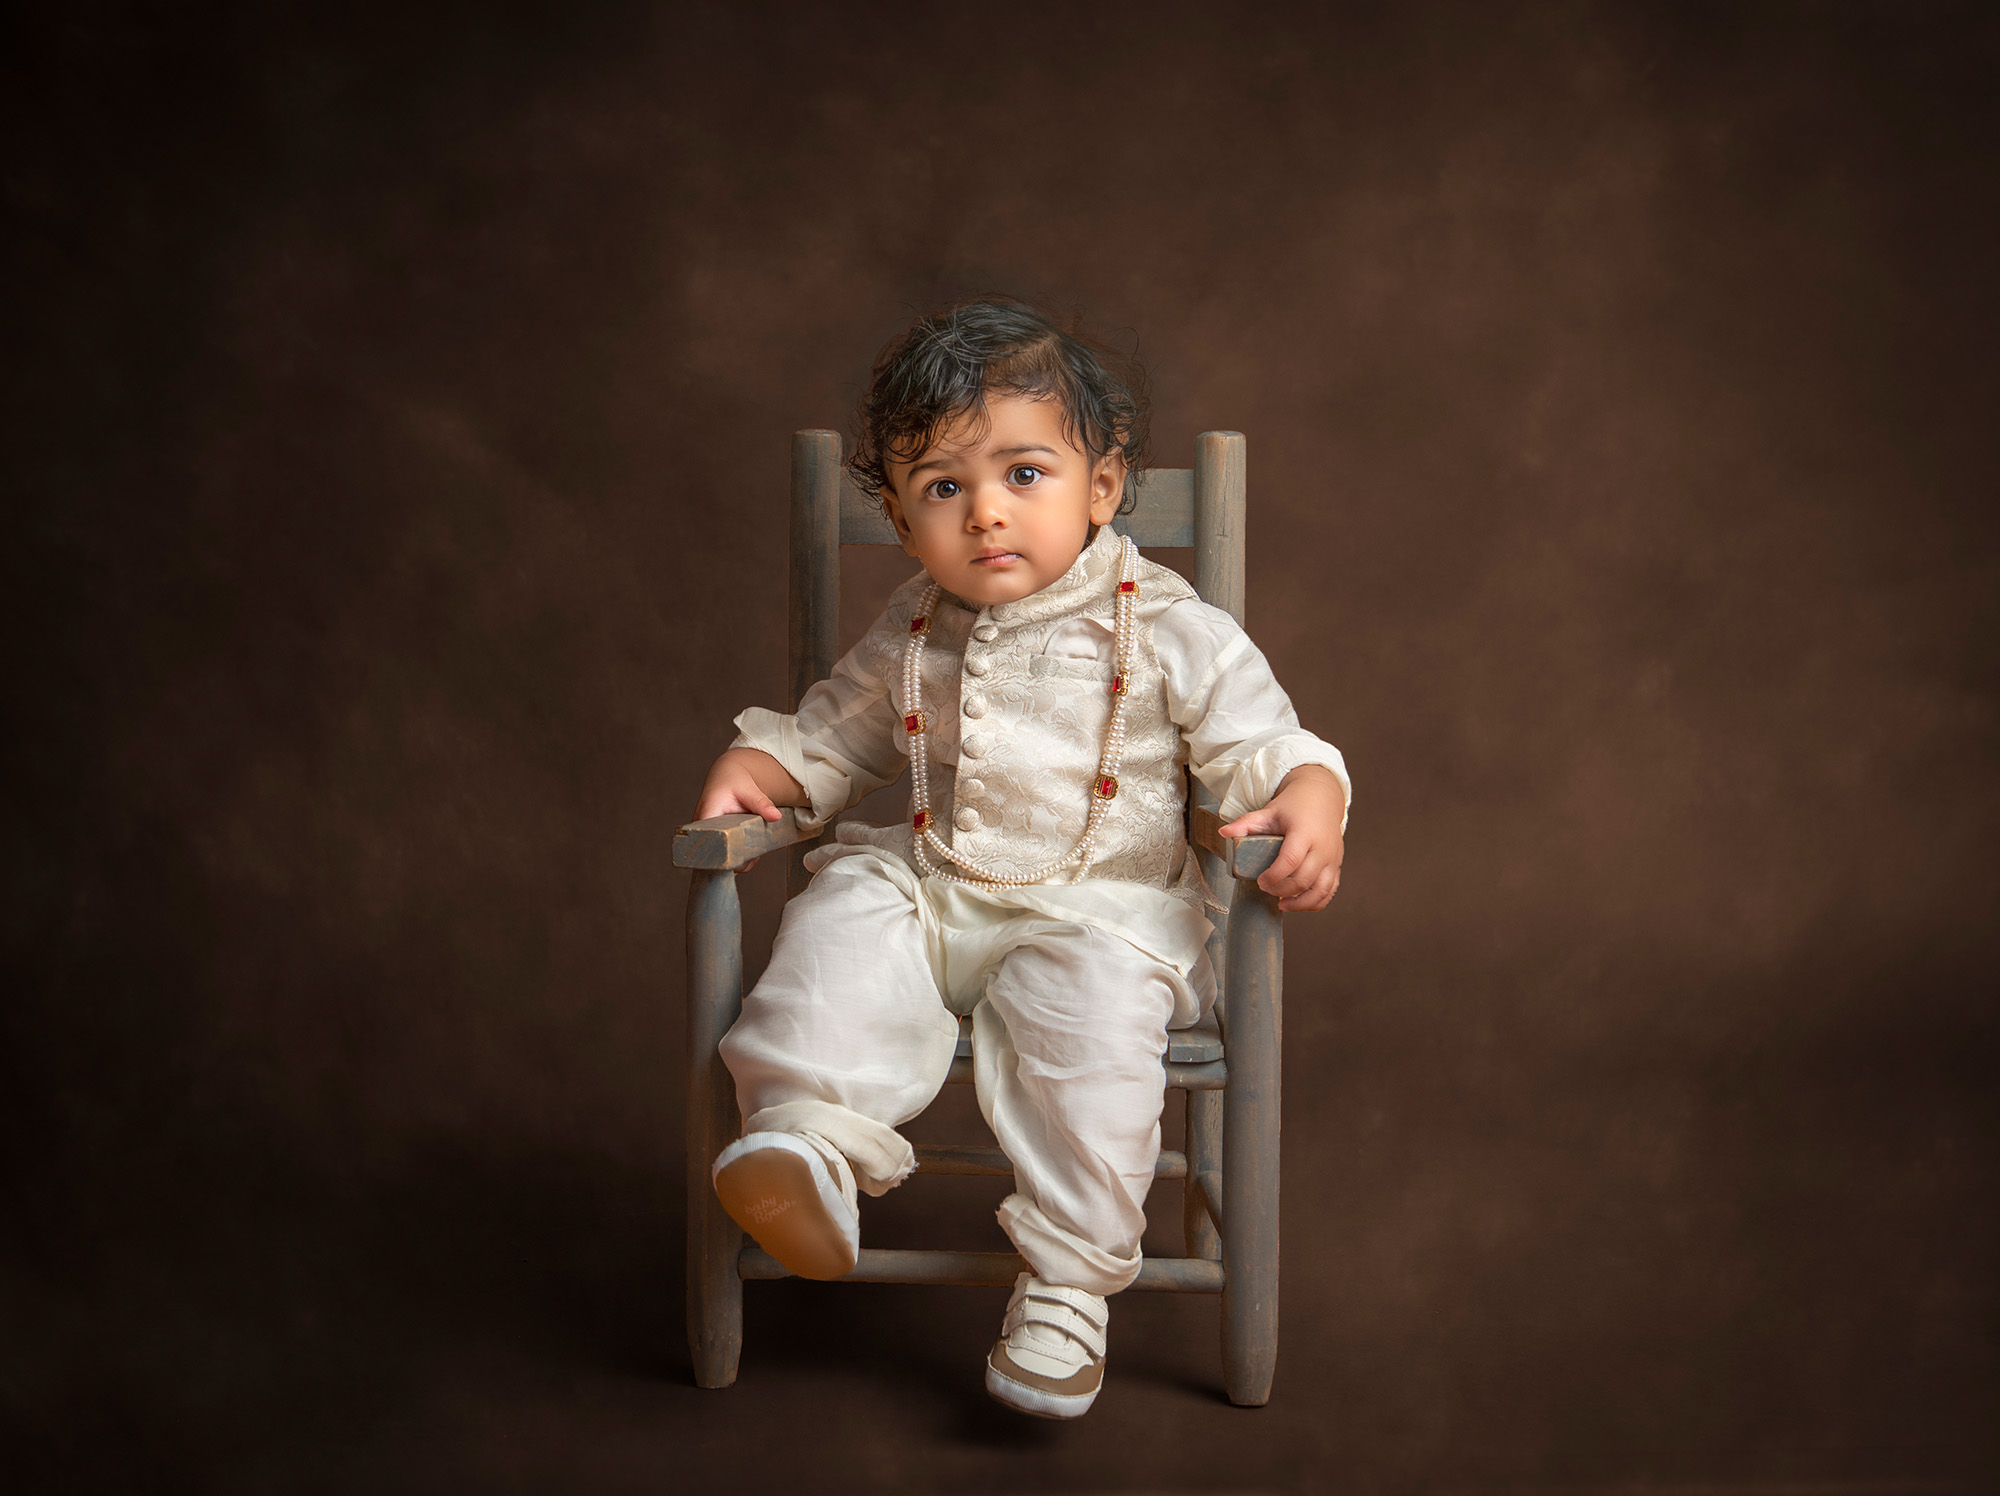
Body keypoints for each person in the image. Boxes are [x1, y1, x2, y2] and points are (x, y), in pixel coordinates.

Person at [691, 298, 1351, 1418]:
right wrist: (770, 772)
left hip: (1102, 915)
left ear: (1101, 487)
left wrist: (1309, 794)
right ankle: (805, 1140)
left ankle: (1068, 1281)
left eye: (1024, 473)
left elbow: (1262, 741)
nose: (986, 511)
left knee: (1086, 1032)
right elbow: (833, 734)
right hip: (934, 887)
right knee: (839, 917)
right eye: (943, 487)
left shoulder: (1170, 625)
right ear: (903, 523)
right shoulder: (909, 626)